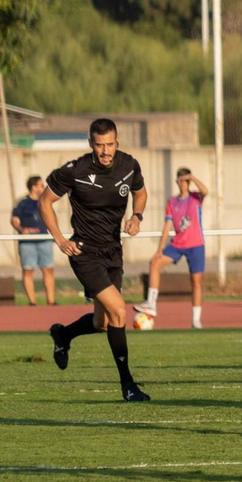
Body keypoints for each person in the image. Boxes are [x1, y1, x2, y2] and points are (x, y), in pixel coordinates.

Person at [41, 118, 151, 401]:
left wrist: (136, 217)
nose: (105, 151)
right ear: (91, 144)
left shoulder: (129, 165)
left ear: (117, 142)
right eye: (99, 145)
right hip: (85, 252)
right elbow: (44, 202)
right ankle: (128, 385)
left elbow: (140, 192)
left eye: (110, 145)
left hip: (113, 252)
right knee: (119, 311)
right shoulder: (75, 170)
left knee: (104, 323)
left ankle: (63, 335)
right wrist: (60, 240)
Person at [137, 168, 208, 328]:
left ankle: (196, 320)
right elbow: (167, 226)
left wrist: (193, 177)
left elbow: (205, 191)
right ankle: (151, 304)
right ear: (177, 181)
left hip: (196, 245)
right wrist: (159, 249)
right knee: (154, 263)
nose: (183, 183)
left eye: (186, 180)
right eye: (181, 180)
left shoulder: (196, 197)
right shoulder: (172, 202)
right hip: (177, 244)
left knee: (196, 282)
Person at [12, 175, 57, 305]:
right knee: (28, 270)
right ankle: (32, 302)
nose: (43, 188)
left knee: (48, 269)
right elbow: (14, 220)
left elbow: (53, 218)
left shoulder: (45, 201)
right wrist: (22, 230)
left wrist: (56, 234)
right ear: (34, 187)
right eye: (41, 185)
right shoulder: (22, 203)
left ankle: (51, 301)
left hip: (44, 240)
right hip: (28, 243)